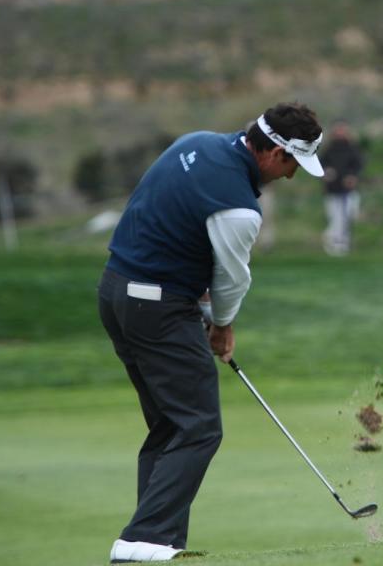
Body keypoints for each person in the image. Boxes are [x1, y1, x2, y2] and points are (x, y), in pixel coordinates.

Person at [97, 103, 324, 562]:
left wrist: (196, 301)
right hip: (157, 306)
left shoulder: (196, 142)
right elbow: (232, 280)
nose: (291, 176)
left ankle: (160, 542)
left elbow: (166, 219)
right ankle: (142, 539)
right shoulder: (239, 209)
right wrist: (221, 326)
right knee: (199, 426)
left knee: (170, 425)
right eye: (293, 165)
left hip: (116, 291)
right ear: (275, 153)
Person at [319, 120, 365, 256]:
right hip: (333, 189)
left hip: (348, 190)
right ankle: (333, 243)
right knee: (335, 217)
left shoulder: (353, 148)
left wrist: (352, 176)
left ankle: (343, 242)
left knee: (348, 215)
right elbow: (321, 166)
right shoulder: (328, 149)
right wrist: (326, 173)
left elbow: (358, 166)